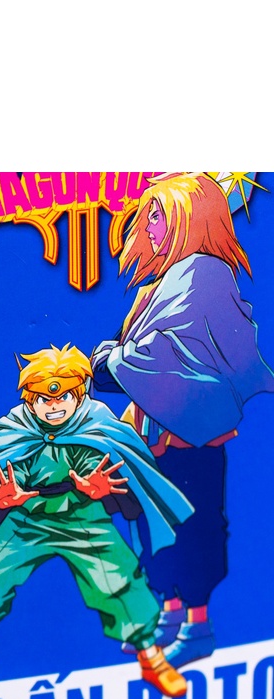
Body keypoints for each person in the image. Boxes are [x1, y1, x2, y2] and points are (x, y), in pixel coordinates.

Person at [0, 344, 194, 697]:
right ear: (30, 399)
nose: (54, 406)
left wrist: (97, 489)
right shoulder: (16, 426)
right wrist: (12, 495)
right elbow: (9, 468)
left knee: (118, 582)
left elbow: (104, 468)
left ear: (78, 394)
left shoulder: (97, 423)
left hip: (84, 521)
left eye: (63, 396)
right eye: (44, 399)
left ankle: (150, 656)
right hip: (28, 521)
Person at [91, 173, 274, 668]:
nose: (149, 224)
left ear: (191, 218)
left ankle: (197, 626)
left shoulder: (204, 273)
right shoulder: (162, 283)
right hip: (152, 435)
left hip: (192, 437)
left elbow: (173, 356)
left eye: (159, 214)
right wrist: (118, 359)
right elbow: (142, 349)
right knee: (152, 522)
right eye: (148, 214)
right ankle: (169, 614)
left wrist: (113, 363)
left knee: (193, 525)